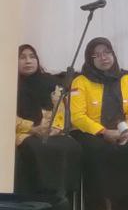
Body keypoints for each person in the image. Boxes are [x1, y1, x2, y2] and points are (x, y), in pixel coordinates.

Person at [70, 37, 128, 210]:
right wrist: (104, 132)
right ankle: (103, 205)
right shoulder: (80, 81)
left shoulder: (126, 78)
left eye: (107, 52)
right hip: (90, 132)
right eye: (97, 55)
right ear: (90, 59)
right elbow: (78, 116)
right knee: (101, 150)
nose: (103, 57)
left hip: (122, 131)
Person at [15, 45, 82, 199]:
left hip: (51, 131)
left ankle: (62, 197)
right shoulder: (8, 84)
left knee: (71, 146)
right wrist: (33, 128)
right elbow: (6, 116)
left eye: (32, 57)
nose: (28, 61)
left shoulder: (50, 82)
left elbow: (61, 109)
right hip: (24, 133)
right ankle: (38, 198)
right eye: (22, 57)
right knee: (37, 147)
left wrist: (55, 128)